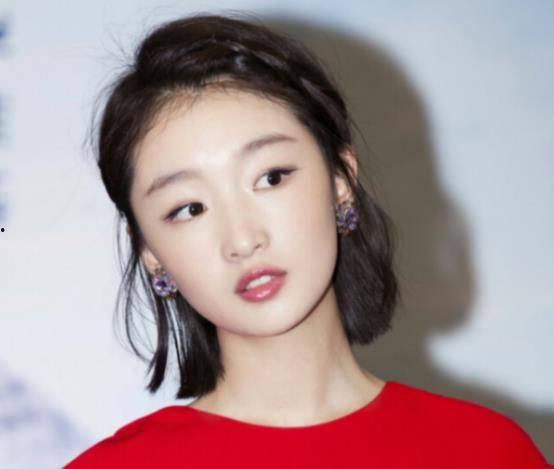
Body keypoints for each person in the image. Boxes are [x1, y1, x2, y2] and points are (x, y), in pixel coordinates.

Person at [64, 12, 551, 468]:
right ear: (149, 251)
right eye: (190, 208)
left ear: (340, 180)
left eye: (271, 178)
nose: (243, 239)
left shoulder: (487, 451)